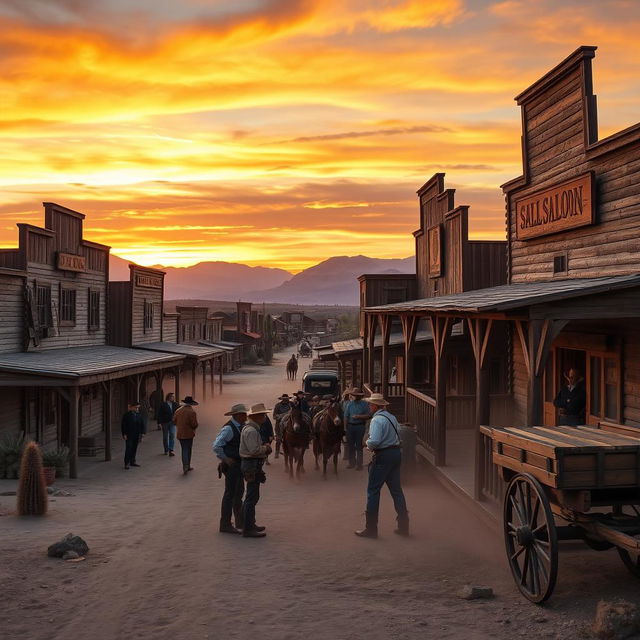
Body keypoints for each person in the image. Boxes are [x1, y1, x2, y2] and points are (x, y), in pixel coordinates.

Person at [355, 393, 409, 539]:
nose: (369, 406)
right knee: (397, 491)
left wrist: (367, 444)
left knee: (373, 491)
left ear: (375, 406)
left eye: (370, 404)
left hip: (383, 455)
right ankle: (404, 526)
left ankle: (371, 528)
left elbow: (375, 441)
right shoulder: (391, 417)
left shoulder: (376, 420)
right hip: (395, 453)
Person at [213, 403, 248, 534]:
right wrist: (225, 459)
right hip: (232, 466)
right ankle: (225, 524)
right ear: (238, 415)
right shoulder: (229, 428)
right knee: (230, 494)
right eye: (244, 414)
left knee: (238, 492)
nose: (246, 416)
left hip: (237, 465)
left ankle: (239, 521)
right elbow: (216, 445)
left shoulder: (239, 427)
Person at [240, 404, 272, 538]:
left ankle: (249, 524)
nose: (265, 417)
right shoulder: (252, 431)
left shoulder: (251, 429)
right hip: (251, 464)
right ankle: (248, 528)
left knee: (252, 496)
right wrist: (265, 448)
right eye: (263, 415)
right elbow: (254, 450)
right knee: (251, 497)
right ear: (257, 417)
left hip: (252, 465)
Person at [343, 388, 370, 470]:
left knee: (359, 446)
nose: (355, 397)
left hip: (360, 426)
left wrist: (359, 416)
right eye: (354, 395)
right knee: (350, 445)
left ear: (360, 396)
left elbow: (369, 415)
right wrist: (345, 428)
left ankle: (359, 464)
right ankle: (351, 463)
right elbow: (346, 416)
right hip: (350, 426)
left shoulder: (364, 404)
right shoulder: (349, 404)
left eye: (357, 395)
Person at [174, 396, 199, 474]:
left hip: (180, 433)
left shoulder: (178, 410)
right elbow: (194, 424)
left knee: (184, 449)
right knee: (188, 449)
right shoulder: (192, 412)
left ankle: (185, 465)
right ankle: (187, 465)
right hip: (189, 433)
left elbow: (174, 421)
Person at [121, 401, 145, 470]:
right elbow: (123, 425)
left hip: (136, 434)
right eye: (136, 408)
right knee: (129, 448)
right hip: (129, 434)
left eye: (138, 408)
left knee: (134, 448)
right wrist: (124, 434)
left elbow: (142, 424)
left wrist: (142, 433)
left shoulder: (139, 415)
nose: (137, 409)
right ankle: (127, 463)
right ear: (131, 407)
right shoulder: (127, 415)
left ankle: (132, 461)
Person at [157, 392, 179, 456]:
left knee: (172, 435)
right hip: (165, 422)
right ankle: (166, 449)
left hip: (173, 422)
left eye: (173, 397)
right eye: (172, 396)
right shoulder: (163, 404)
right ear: (169, 397)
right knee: (165, 437)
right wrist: (159, 423)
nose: (173, 398)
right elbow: (160, 414)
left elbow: (179, 411)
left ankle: (171, 450)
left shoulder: (175, 404)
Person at [273, 393, 292, 458]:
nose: (286, 401)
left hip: (289, 423)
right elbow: (274, 416)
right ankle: (277, 451)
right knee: (278, 439)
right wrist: (284, 415)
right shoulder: (277, 406)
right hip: (279, 425)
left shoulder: (290, 405)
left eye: (287, 399)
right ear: (282, 400)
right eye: (284, 399)